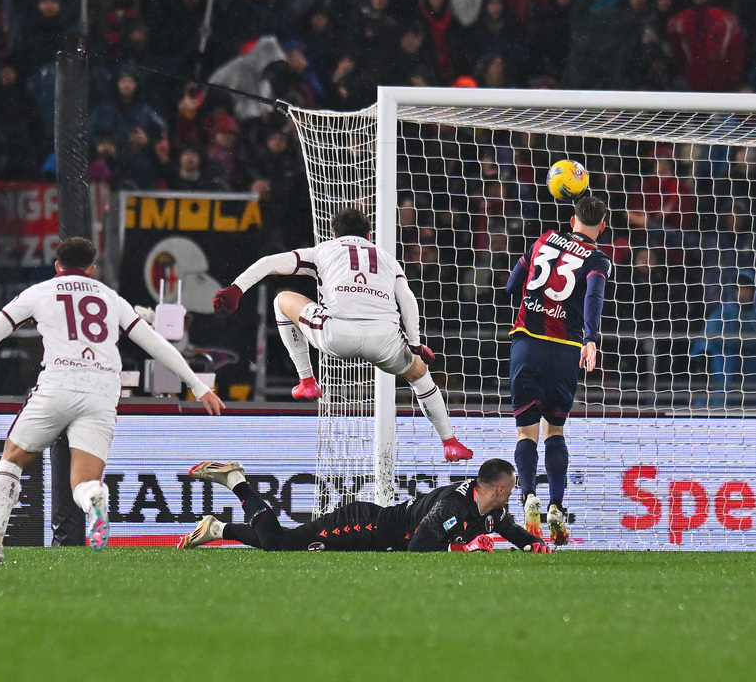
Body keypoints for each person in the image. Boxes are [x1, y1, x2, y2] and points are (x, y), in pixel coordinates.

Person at [0, 237, 224, 566]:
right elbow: (154, 342)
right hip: (103, 389)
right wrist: (197, 385)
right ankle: (94, 498)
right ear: (93, 269)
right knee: (84, 482)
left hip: (59, 381)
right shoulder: (110, 297)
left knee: (12, 460)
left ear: (57, 266)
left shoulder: (39, 292)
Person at [212, 207, 473, 463]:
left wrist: (236, 289)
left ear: (334, 235)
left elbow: (269, 263)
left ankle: (307, 381)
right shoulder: (386, 258)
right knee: (420, 376)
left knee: (282, 299)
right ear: (369, 236)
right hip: (384, 338)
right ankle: (449, 442)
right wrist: (415, 344)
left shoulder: (323, 250)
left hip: (336, 333)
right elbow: (407, 299)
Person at [505, 196, 611, 546]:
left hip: (527, 342)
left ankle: (529, 496)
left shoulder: (544, 239)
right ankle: (557, 505)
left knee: (526, 434)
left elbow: (510, 285)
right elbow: (594, 297)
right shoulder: (598, 259)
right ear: (603, 226)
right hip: (566, 351)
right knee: (556, 431)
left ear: (572, 219)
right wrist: (591, 339)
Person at [177, 457, 549, 553]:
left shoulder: (491, 509)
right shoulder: (454, 506)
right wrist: (463, 547)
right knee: (278, 542)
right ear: (499, 489)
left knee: (283, 542)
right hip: (363, 526)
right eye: (512, 487)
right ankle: (236, 481)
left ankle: (218, 529)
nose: (513, 493)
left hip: (374, 534)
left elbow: (509, 529)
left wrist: (533, 543)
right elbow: (420, 545)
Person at [689, 270, 756, 406]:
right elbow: (702, 349)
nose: (743, 293)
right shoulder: (720, 314)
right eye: (738, 288)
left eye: (747, 288)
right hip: (722, 371)